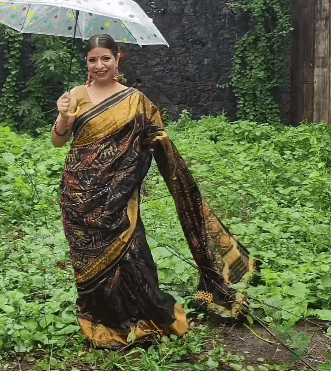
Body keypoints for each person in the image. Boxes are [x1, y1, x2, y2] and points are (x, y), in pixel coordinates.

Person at [52, 34, 254, 347]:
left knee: (134, 257)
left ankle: (141, 317)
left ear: (118, 58)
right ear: (87, 62)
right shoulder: (76, 95)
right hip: (78, 197)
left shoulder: (135, 100)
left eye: (105, 57)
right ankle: (103, 318)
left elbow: (152, 139)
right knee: (88, 263)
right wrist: (64, 115)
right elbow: (59, 140)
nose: (99, 65)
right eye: (93, 59)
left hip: (118, 197)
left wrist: (155, 141)